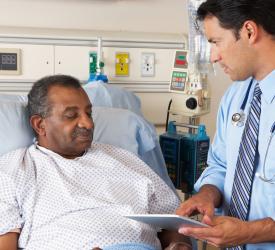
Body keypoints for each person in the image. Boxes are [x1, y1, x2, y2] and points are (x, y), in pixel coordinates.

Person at [0, 75, 192, 250]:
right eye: (71, 115)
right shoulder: (14, 169)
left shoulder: (125, 159)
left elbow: (173, 222)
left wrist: (180, 244)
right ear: (40, 124)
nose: (88, 123)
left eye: (89, 113)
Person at [176, 0, 275, 249]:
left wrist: (250, 232)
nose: (213, 56)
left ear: (249, 32)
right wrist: (207, 195)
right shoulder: (236, 96)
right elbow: (220, 164)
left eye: (216, 42)